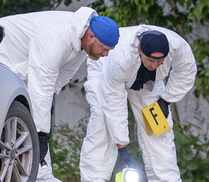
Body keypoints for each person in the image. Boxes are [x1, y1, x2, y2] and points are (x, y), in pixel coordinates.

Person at [0, 7, 120, 182]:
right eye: (104, 48)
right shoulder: (57, 38)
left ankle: (40, 174)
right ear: (91, 37)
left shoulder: (81, 45)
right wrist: (41, 134)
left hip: (23, 68)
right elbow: (41, 90)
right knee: (20, 119)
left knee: (34, 115)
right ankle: (33, 174)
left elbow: (62, 76)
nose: (106, 54)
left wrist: (42, 120)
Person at [79, 25, 197, 182]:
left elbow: (187, 71)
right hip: (105, 70)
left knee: (158, 130)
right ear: (140, 50)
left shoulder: (178, 47)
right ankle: (94, 179)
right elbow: (114, 101)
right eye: (150, 60)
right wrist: (121, 146)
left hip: (148, 83)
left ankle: (166, 179)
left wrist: (166, 99)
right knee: (102, 119)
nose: (155, 65)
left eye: (159, 61)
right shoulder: (121, 57)